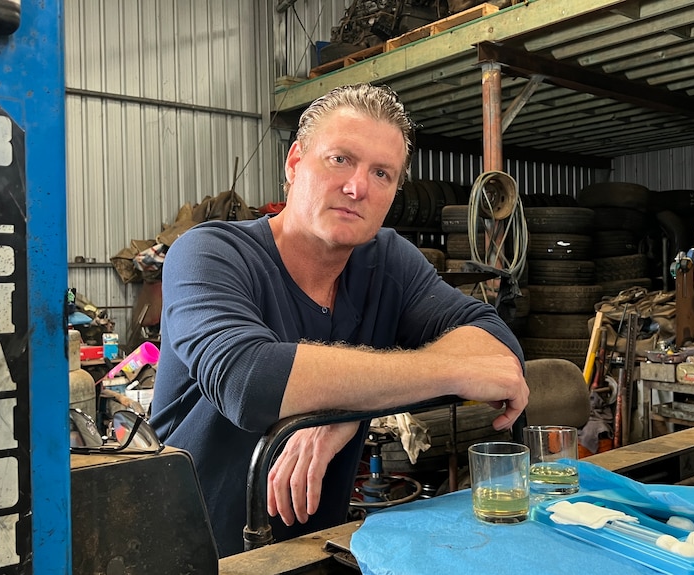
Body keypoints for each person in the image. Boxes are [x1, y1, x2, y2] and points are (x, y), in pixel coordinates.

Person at [149, 83, 529, 558]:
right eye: (340, 160)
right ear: (294, 163)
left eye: (382, 173)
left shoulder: (388, 260)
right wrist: (358, 405)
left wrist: (340, 418)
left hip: (309, 551)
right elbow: (249, 382)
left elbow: (498, 345)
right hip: (190, 553)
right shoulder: (210, 253)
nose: (358, 188)